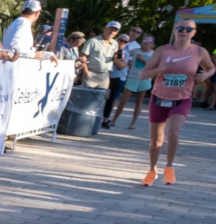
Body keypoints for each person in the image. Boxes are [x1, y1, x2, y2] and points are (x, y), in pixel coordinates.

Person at [136, 22, 214, 185]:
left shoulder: (199, 52)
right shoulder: (162, 51)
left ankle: (169, 168)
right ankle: (152, 170)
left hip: (182, 99)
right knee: (156, 140)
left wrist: (206, 75)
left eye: (188, 29)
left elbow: (212, 68)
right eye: (180, 28)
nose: (183, 32)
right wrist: (160, 69)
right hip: (158, 98)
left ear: (193, 33)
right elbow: (143, 75)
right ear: (175, 31)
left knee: (173, 133)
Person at [108, 32, 155, 129]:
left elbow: (152, 68)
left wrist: (143, 60)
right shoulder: (134, 50)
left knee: (139, 102)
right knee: (123, 101)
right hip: (132, 78)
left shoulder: (153, 54)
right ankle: (114, 120)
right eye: (144, 41)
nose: (146, 43)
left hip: (144, 79)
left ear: (152, 43)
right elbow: (125, 58)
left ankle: (133, 123)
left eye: (149, 41)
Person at [78, 22, 121, 99]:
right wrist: (86, 72)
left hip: (105, 75)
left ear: (117, 33)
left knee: (100, 100)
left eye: (115, 30)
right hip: (92, 73)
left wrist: (117, 58)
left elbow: (114, 58)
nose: (112, 32)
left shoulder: (114, 43)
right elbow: (82, 56)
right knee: (86, 98)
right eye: (111, 29)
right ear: (105, 28)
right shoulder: (93, 41)